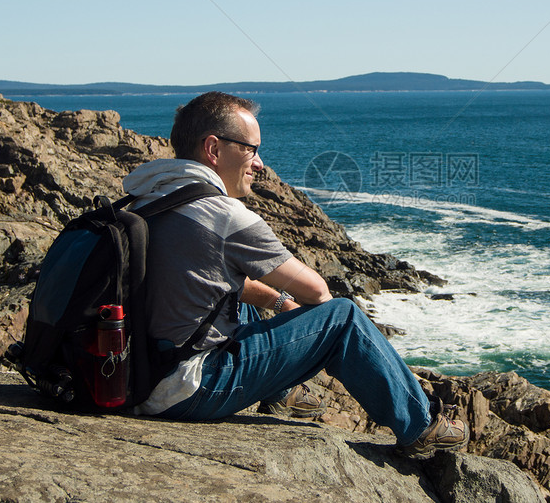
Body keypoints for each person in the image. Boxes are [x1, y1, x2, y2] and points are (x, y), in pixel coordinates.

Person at [122, 91, 468, 457]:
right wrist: (299, 309)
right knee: (343, 317)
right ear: (214, 149)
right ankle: (421, 425)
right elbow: (317, 293)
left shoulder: (150, 197)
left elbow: (203, 284)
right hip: (186, 388)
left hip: (142, 373)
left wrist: (277, 299)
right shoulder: (221, 214)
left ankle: (280, 392)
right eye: (251, 149)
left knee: (236, 295)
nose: (259, 163)